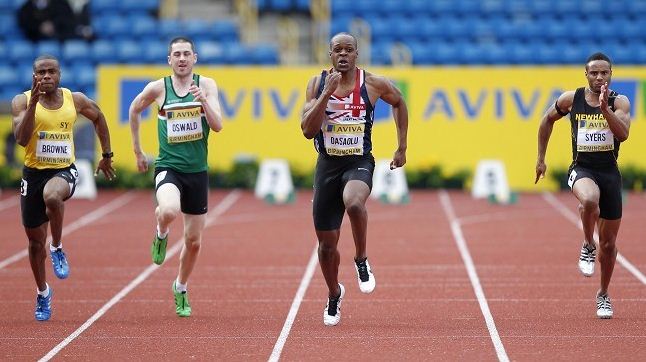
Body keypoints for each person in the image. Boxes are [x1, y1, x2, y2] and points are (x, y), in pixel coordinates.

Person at [301, 32, 408, 326]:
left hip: (359, 162)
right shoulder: (317, 83)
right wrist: (326, 94)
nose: (344, 54)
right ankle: (334, 293)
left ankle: (361, 258)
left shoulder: (373, 84)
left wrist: (402, 146)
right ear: (330, 54)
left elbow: (399, 102)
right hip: (327, 166)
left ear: (357, 54)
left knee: (355, 203)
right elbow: (308, 130)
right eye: (338, 50)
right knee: (326, 246)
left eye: (349, 49)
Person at [11, 54, 115, 321]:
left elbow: (99, 117)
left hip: (63, 170)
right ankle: (43, 292)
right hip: (32, 174)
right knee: (35, 244)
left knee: (53, 196)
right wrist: (34, 102)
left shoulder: (74, 99)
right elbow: (22, 140)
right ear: (34, 76)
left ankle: (57, 246)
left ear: (59, 75)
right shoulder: (22, 101)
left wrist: (106, 155)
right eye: (41, 72)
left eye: (51, 72)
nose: (46, 76)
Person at [128, 37, 223, 318]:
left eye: (186, 54)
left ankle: (180, 287)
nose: (181, 59)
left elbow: (217, 126)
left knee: (194, 241)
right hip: (168, 167)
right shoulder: (159, 88)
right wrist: (138, 151)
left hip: (197, 172)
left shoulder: (206, 85)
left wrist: (203, 101)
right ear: (169, 60)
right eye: (176, 55)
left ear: (195, 57)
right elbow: (134, 109)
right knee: (169, 210)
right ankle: (161, 232)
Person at [535, 52, 631, 319]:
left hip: (610, 174)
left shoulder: (618, 102)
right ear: (586, 75)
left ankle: (603, 294)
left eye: (604, 73)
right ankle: (588, 243)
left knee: (610, 246)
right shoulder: (571, 99)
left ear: (611, 75)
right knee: (589, 200)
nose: (599, 77)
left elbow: (623, 134)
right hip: (582, 168)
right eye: (594, 73)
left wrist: (604, 111)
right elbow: (546, 121)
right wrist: (540, 159)